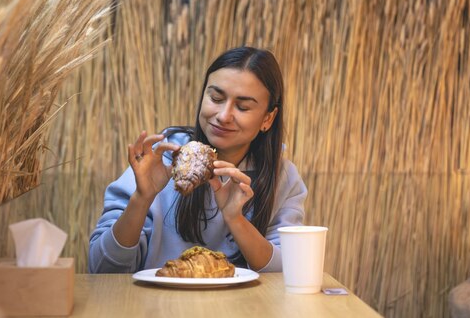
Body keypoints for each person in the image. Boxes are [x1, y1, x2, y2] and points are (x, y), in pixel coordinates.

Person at [88, 46, 307, 273]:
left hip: (244, 308)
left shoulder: (282, 178)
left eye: (242, 107)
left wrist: (236, 219)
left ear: (268, 118)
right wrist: (142, 198)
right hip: (155, 306)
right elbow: (102, 269)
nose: (223, 116)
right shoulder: (160, 160)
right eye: (216, 97)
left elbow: (288, 272)